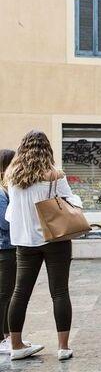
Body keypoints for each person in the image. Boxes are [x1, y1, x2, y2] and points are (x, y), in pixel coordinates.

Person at [4, 131, 82, 360]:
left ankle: (16, 345)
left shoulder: (12, 176)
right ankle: (63, 347)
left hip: (24, 242)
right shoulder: (55, 174)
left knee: (19, 293)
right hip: (55, 239)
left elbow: (12, 213)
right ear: (47, 148)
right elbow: (69, 201)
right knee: (59, 292)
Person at [0, 149, 20, 356]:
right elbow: (4, 224)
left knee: (7, 292)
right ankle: (1, 338)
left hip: (8, 247)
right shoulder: (0, 192)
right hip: (4, 248)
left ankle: (6, 335)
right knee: (4, 294)